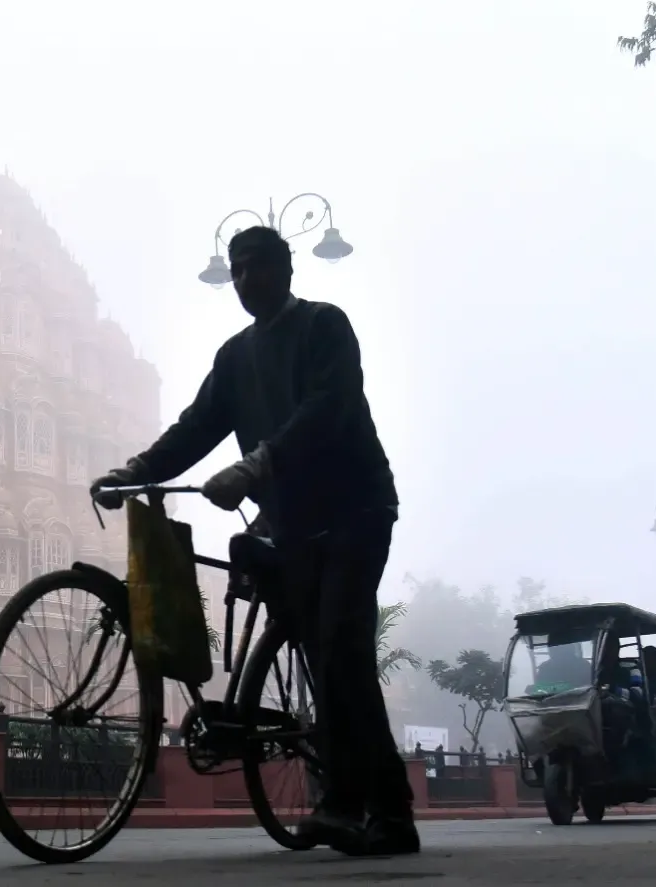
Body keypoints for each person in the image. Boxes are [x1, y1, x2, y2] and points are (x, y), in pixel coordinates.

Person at [91, 224, 416, 857]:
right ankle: (373, 805)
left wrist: (258, 463)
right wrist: (137, 471)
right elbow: (197, 427)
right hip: (291, 523)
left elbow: (329, 408)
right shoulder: (235, 357)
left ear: (288, 270)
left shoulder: (326, 326)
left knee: (342, 650)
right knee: (326, 662)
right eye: (236, 270)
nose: (245, 280)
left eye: (258, 267)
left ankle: (362, 808)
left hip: (356, 509)